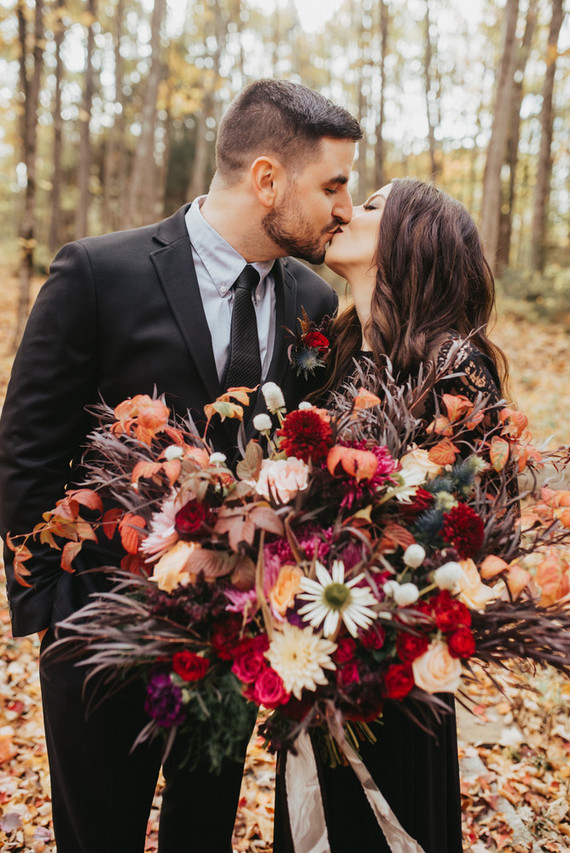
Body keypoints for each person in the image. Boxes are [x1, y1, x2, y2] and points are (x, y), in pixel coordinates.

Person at [0, 79, 361, 853]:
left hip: (237, 645)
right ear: (267, 178)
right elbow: (26, 449)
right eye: (332, 185)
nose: (343, 207)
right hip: (101, 632)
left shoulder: (312, 301)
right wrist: (56, 613)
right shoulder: (98, 272)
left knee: (203, 835)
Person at [273, 177, 510, 853]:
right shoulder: (336, 352)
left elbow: (475, 518)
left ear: (413, 238)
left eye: (373, 206)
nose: (349, 211)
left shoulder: (454, 363)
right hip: (318, 635)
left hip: (396, 653)